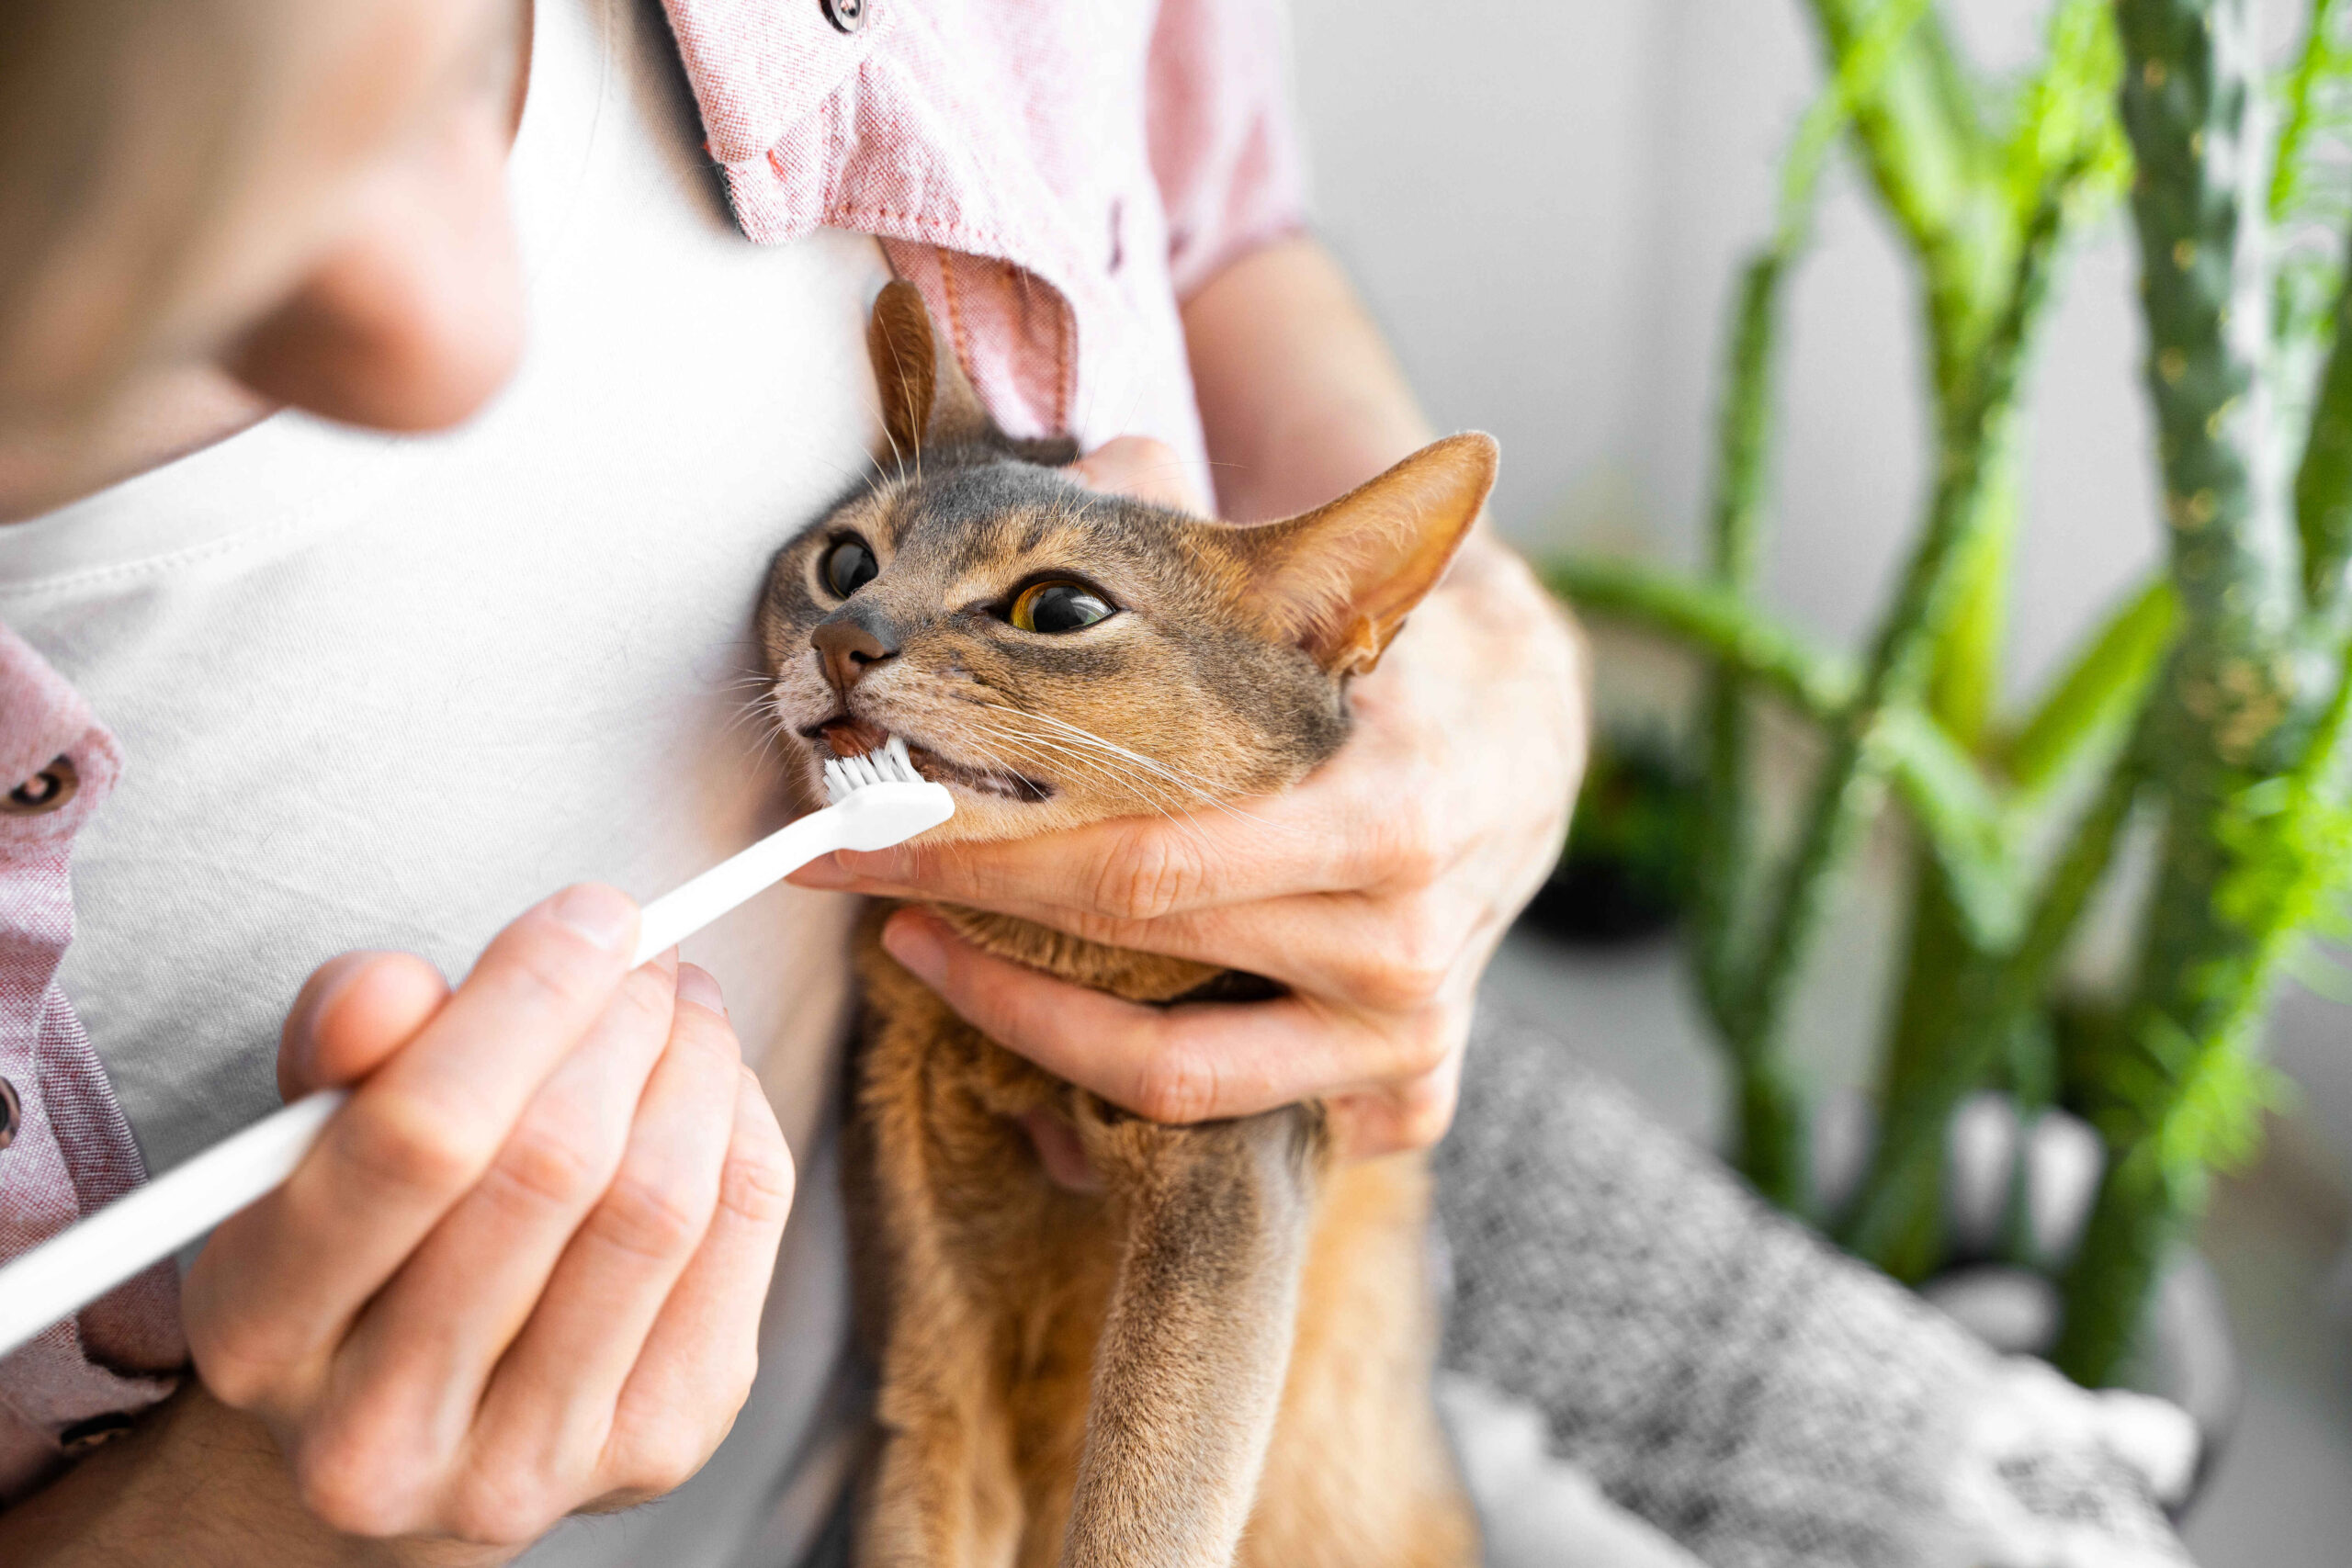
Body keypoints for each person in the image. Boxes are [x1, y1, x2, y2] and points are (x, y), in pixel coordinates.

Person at [0, 1, 1582, 1562]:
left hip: (1374, 1456)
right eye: (116, 214)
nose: (474, 339)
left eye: (465, 65)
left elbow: (1220, 220)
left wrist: (1487, 660)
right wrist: (250, 1510)